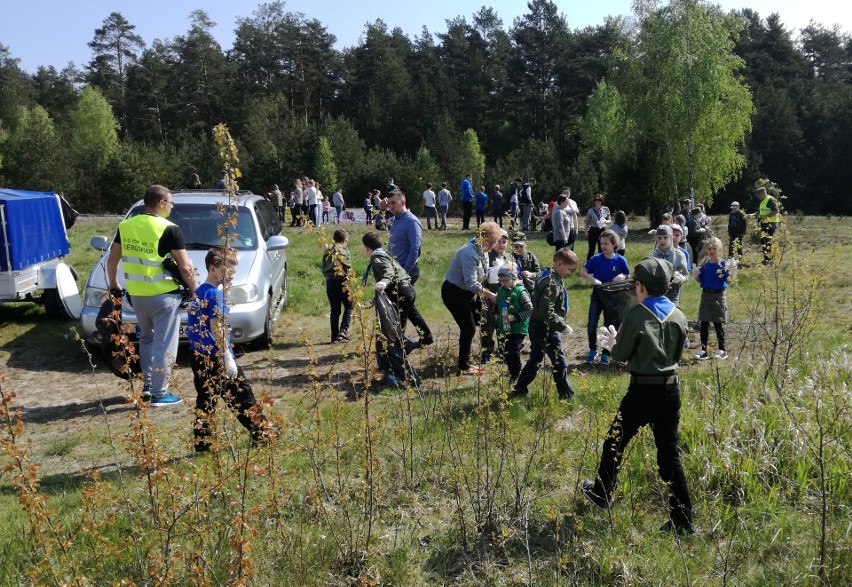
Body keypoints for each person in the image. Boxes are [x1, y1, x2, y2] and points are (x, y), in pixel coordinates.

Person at [581, 257, 694, 536]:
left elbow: (620, 355)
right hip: (670, 389)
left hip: (642, 390)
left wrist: (612, 344)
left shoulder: (636, 314)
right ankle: (684, 521)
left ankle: (601, 493)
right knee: (669, 454)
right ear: (667, 287)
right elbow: (678, 352)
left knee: (615, 441)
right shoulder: (679, 315)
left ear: (640, 287)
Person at [106, 184, 195, 406]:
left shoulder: (126, 226)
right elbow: (185, 267)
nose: (172, 207)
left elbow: (112, 259)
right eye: (170, 203)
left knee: (146, 339)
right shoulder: (169, 228)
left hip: (137, 295)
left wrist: (113, 282)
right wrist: (194, 290)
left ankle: (147, 385)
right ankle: (159, 393)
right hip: (164, 295)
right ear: (161, 203)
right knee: (165, 344)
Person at [188, 247, 272, 452]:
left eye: (234, 272)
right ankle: (262, 433)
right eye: (227, 271)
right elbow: (216, 327)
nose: (231, 276)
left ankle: (202, 442)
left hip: (198, 355)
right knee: (242, 395)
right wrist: (226, 357)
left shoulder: (199, 293)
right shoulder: (215, 295)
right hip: (216, 355)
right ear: (212, 269)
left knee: (205, 399)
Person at [509, 248, 579, 400]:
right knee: (559, 361)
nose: (569, 273)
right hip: (546, 328)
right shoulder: (550, 282)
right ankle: (566, 395)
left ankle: (519, 388)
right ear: (560, 264)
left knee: (535, 359)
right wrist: (562, 326)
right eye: (569, 269)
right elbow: (547, 311)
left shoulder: (549, 275)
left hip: (538, 325)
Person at [442, 221, 501, 375]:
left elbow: (482, 275)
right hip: (454, 293)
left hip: (469, 294)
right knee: (468, 328)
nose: (493, 245)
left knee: (478, 321)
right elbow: (471, 283)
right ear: (482, 237)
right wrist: (490, 295)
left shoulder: (483, 250)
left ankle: (467, 359)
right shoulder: (469, 253)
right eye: (492, 242)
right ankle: (464, 366)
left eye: (495, 242)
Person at [362, 232, 432, 347]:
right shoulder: (385, 254)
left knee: (398, 321)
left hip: (399, 291)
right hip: (407, 289)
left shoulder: (377, 256)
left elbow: (388, 271)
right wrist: (372, 302)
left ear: (366, 247)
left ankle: (398, 348)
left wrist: (383, 281)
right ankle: (426, 338)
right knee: (413, 314)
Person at [579, 229, 629, 365]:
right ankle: (592, 350)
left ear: (614, 244)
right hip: (598, 295)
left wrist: (621, 277)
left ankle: (606, 353)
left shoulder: (620, 260)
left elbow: (627, 275)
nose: (603, 246)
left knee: (610, 325)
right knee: (592, 323)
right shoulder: (596, 259)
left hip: (613, 297)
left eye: (606, 243)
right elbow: (582, 271)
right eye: (601, 243)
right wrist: (592, 278)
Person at [692, 237, 735, 360]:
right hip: (706, 295)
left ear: (720, 249)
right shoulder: (705, 264)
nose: (711, 251)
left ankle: (722, 349)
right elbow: (700, 280)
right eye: (709, 248)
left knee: (717, 324)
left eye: (714, 248)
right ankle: (703, 350)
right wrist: (696, 275)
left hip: (718, 296)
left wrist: (732, 270)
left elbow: (730, 281)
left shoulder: (723, 264)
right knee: (704, 323)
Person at [494, 265, 532, 383]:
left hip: (518, 328)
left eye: (506, 280)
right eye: (501, 281)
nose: (503, 283)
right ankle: (512, 371)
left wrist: (515, 317)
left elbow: (530, 310)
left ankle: (517, 372)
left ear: (513, 278)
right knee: (505, 352)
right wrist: (496, 314)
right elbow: (498, 304)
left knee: (512, 351)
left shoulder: (520, 292)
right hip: (504, 327)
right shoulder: (500, 291)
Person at [481, 230, 513, 363]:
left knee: (504, 324)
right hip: (489, 297)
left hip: (505, 298)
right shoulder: (487, 256)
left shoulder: (509, 257)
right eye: (498, 242)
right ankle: (486, 352)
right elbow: (482, 277)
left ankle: (503, 350)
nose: (501, 245)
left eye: (504, 242)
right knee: (488, 325)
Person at [322, 229, 353, 343]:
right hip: (342, 281)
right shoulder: (344, 251)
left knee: (335, 309)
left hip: (330, 282)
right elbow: (348, 267)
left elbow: (323, 267)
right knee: (350, 305)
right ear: (345, 240)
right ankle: (343, 331)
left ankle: (334, 336)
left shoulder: (327, 250)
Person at [386, 190, 423, 285]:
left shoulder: (412, 222)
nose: (390, 206)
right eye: (389, 203)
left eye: (393, 202)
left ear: (403, 202)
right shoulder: (393, 220)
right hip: (394, 268)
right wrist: (381, 209)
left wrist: (404, 272)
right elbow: (378, 225)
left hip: (406, 269)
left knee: (400, 299)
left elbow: (415, 249)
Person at [647, 225, 689, 305]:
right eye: (659, 238)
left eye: (665, 237)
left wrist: (681, 279)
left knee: (671, 315)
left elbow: (686, 276)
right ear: (656, 239)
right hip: (655, 292)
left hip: (673, 292)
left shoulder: (679, 255)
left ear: (671, 238)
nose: (662, 240)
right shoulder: (651, 256)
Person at [753, 186, 780, 264]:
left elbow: (776, 211)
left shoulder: (770, 200)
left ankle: (771, 260)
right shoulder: (762, 202)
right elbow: (759, 213)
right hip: (764, 224)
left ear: (762, 193)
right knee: (763, 241)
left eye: (758, 195)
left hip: (771, 224)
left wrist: (766, 216)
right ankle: (766, 259)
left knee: (768, 241)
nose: (758, 196)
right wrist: (751, 215)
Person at [584, 194, 611, 261]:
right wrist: (586, 231)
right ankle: (589, 265)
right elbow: (587, 222)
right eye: (596, 200)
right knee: (591, 249)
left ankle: (601, 264)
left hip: (602, 230)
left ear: (602, 201)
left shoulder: (606, 209)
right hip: (593, 230)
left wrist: (605, 221)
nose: (597, 201)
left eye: (599, 200)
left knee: (601, 249)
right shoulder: (590, 210)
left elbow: (610, 220)